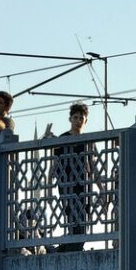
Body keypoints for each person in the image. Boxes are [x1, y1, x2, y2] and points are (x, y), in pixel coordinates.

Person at [51, 102, 103, 252]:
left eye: (81, 118)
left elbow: (92, 166)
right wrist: (48, 185)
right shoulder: (63, 138)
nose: (78, 121)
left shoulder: (88, 140)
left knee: (84, 221)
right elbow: (54, 164)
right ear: (70, 119)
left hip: (84, 184)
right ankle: (70, 249)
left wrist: (101, 188)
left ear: (85, 120)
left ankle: (67, 249)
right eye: (75, 117)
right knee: (72, 219)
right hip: (67, 184)